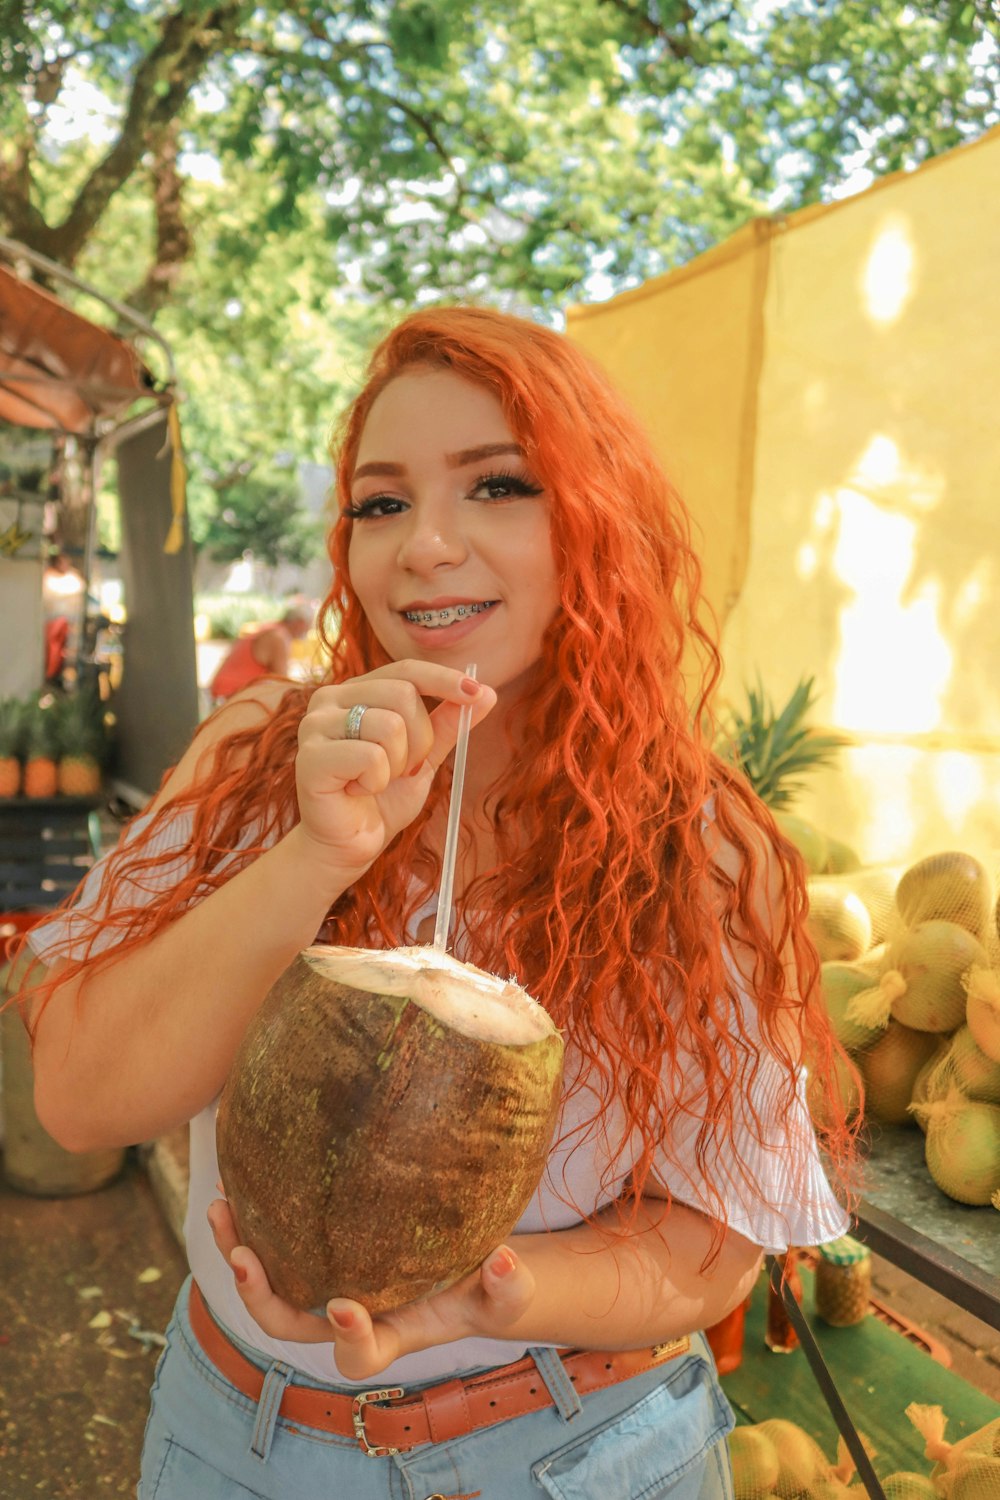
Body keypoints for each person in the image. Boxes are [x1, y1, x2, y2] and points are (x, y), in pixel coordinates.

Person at [18, 307, 859, 1500]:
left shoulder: (703, 847)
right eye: (382, 502)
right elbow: (80, 1100)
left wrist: (484, 1294)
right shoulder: (262, 755)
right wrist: (311, 857)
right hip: (235, 1448)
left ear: (594, 523)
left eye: (499, 486)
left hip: (585, 1453)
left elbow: (713, 1250)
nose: (424, 545)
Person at [208, 601, 314, 702]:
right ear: (300, 623)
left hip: (229, 693)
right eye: (309, 625)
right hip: (231, 696)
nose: (309, 630)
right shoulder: (278, 637)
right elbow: (282, 681)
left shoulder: (273, 629)